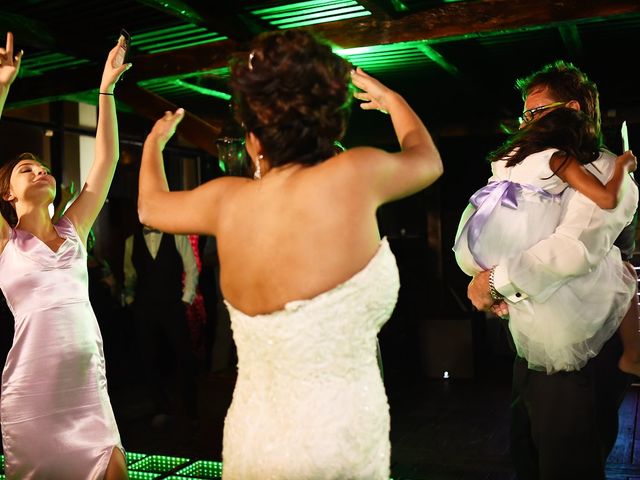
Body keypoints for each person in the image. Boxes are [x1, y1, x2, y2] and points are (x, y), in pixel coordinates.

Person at [137, 30, 442, 480]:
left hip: (253, 438)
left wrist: (153, 144)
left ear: (254, 142)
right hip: (338, 439)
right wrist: (392, 99)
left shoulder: (225, 200)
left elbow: (150, 206)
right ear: (329, 126)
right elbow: (427, 159)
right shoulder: (355, 174)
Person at [466, 60, 639, 479]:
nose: (525, 121)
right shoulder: (536, 163)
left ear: (574, 109)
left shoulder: (599, 166)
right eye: (524, 112)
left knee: (567, 462)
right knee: (528, 454)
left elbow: (572, 249)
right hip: (533, 342)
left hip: (580, 345)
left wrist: (493, 281)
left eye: (536, 111)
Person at [0, 32, 130, 479]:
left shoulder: (74, 229)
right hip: (31, 393)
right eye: (26, 170)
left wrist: (106, 90)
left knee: (112, 467)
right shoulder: (5, 243)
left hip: (86, 389)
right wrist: (1, 88)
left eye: (44, 168)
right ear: (7, 192)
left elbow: (106, 161)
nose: (40, 171)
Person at [454, 107, 639, 374]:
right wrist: (622, 166)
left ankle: (504, 297)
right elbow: (607, 198)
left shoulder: (509, 158)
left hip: (477, 244)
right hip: (518, 241)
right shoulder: (557, 159)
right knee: (622, 271)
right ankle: (633, 354)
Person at [123, 222, 199, 425]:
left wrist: (186, 299)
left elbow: (191, 268)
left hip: (173, 305)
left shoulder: (177, 235)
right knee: (149, 357)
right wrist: (130, 299)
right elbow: (129, 274)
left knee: (184, 355)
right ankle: (161, 406)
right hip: (144, 307)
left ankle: (190, 408)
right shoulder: (131, 242)